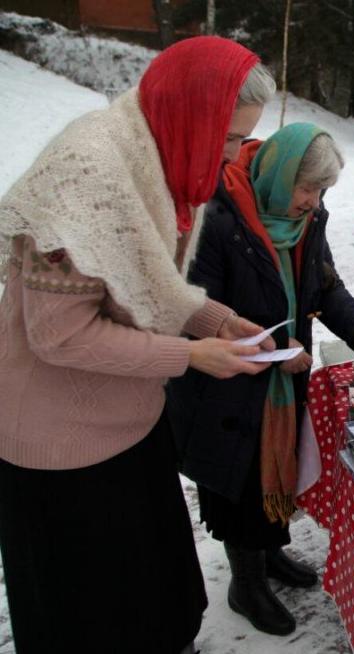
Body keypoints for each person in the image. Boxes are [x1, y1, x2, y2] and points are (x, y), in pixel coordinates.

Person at [0, 37, 277, 654]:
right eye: (230, 138)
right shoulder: (87, 177)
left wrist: (214, 320)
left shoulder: (158, 156)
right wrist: (188, 355)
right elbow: (59, 334)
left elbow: (140, 280)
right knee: (97, 622)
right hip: (63, 452)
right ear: (193, 114)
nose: (235, 154)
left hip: (128, 425)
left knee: (158, 603)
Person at [167, 122, 354, 636]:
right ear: (279, 175)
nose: (313, 203)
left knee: (277, 472)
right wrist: (271, 350)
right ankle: (245, 583)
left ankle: (268, 555)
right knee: (241, 484)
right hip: (224, 385)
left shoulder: (307, 223)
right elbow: (193, 308)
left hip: (282, 377)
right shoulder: (220, 216)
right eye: (307, 188)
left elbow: (326, 288)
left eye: (322, 192)